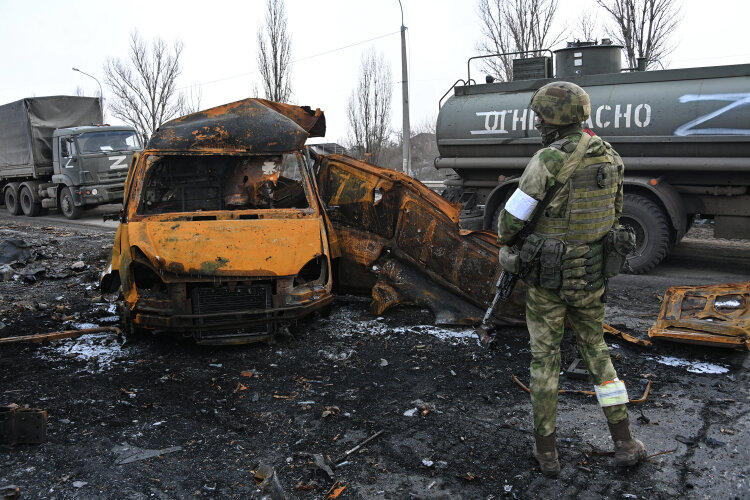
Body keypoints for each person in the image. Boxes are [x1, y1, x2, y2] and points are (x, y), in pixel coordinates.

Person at [496, 81, 647, 476]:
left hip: (548, 281)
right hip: (591, 277)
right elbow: (614, 217)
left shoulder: (547, 159)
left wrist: (511, 247)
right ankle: (625, 443)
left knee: (544, 360)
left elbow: (509, 224)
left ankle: (547, 454)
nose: (537, 122)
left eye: (539, 116)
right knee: (598, 353)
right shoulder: (611, 157)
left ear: (550, 119)